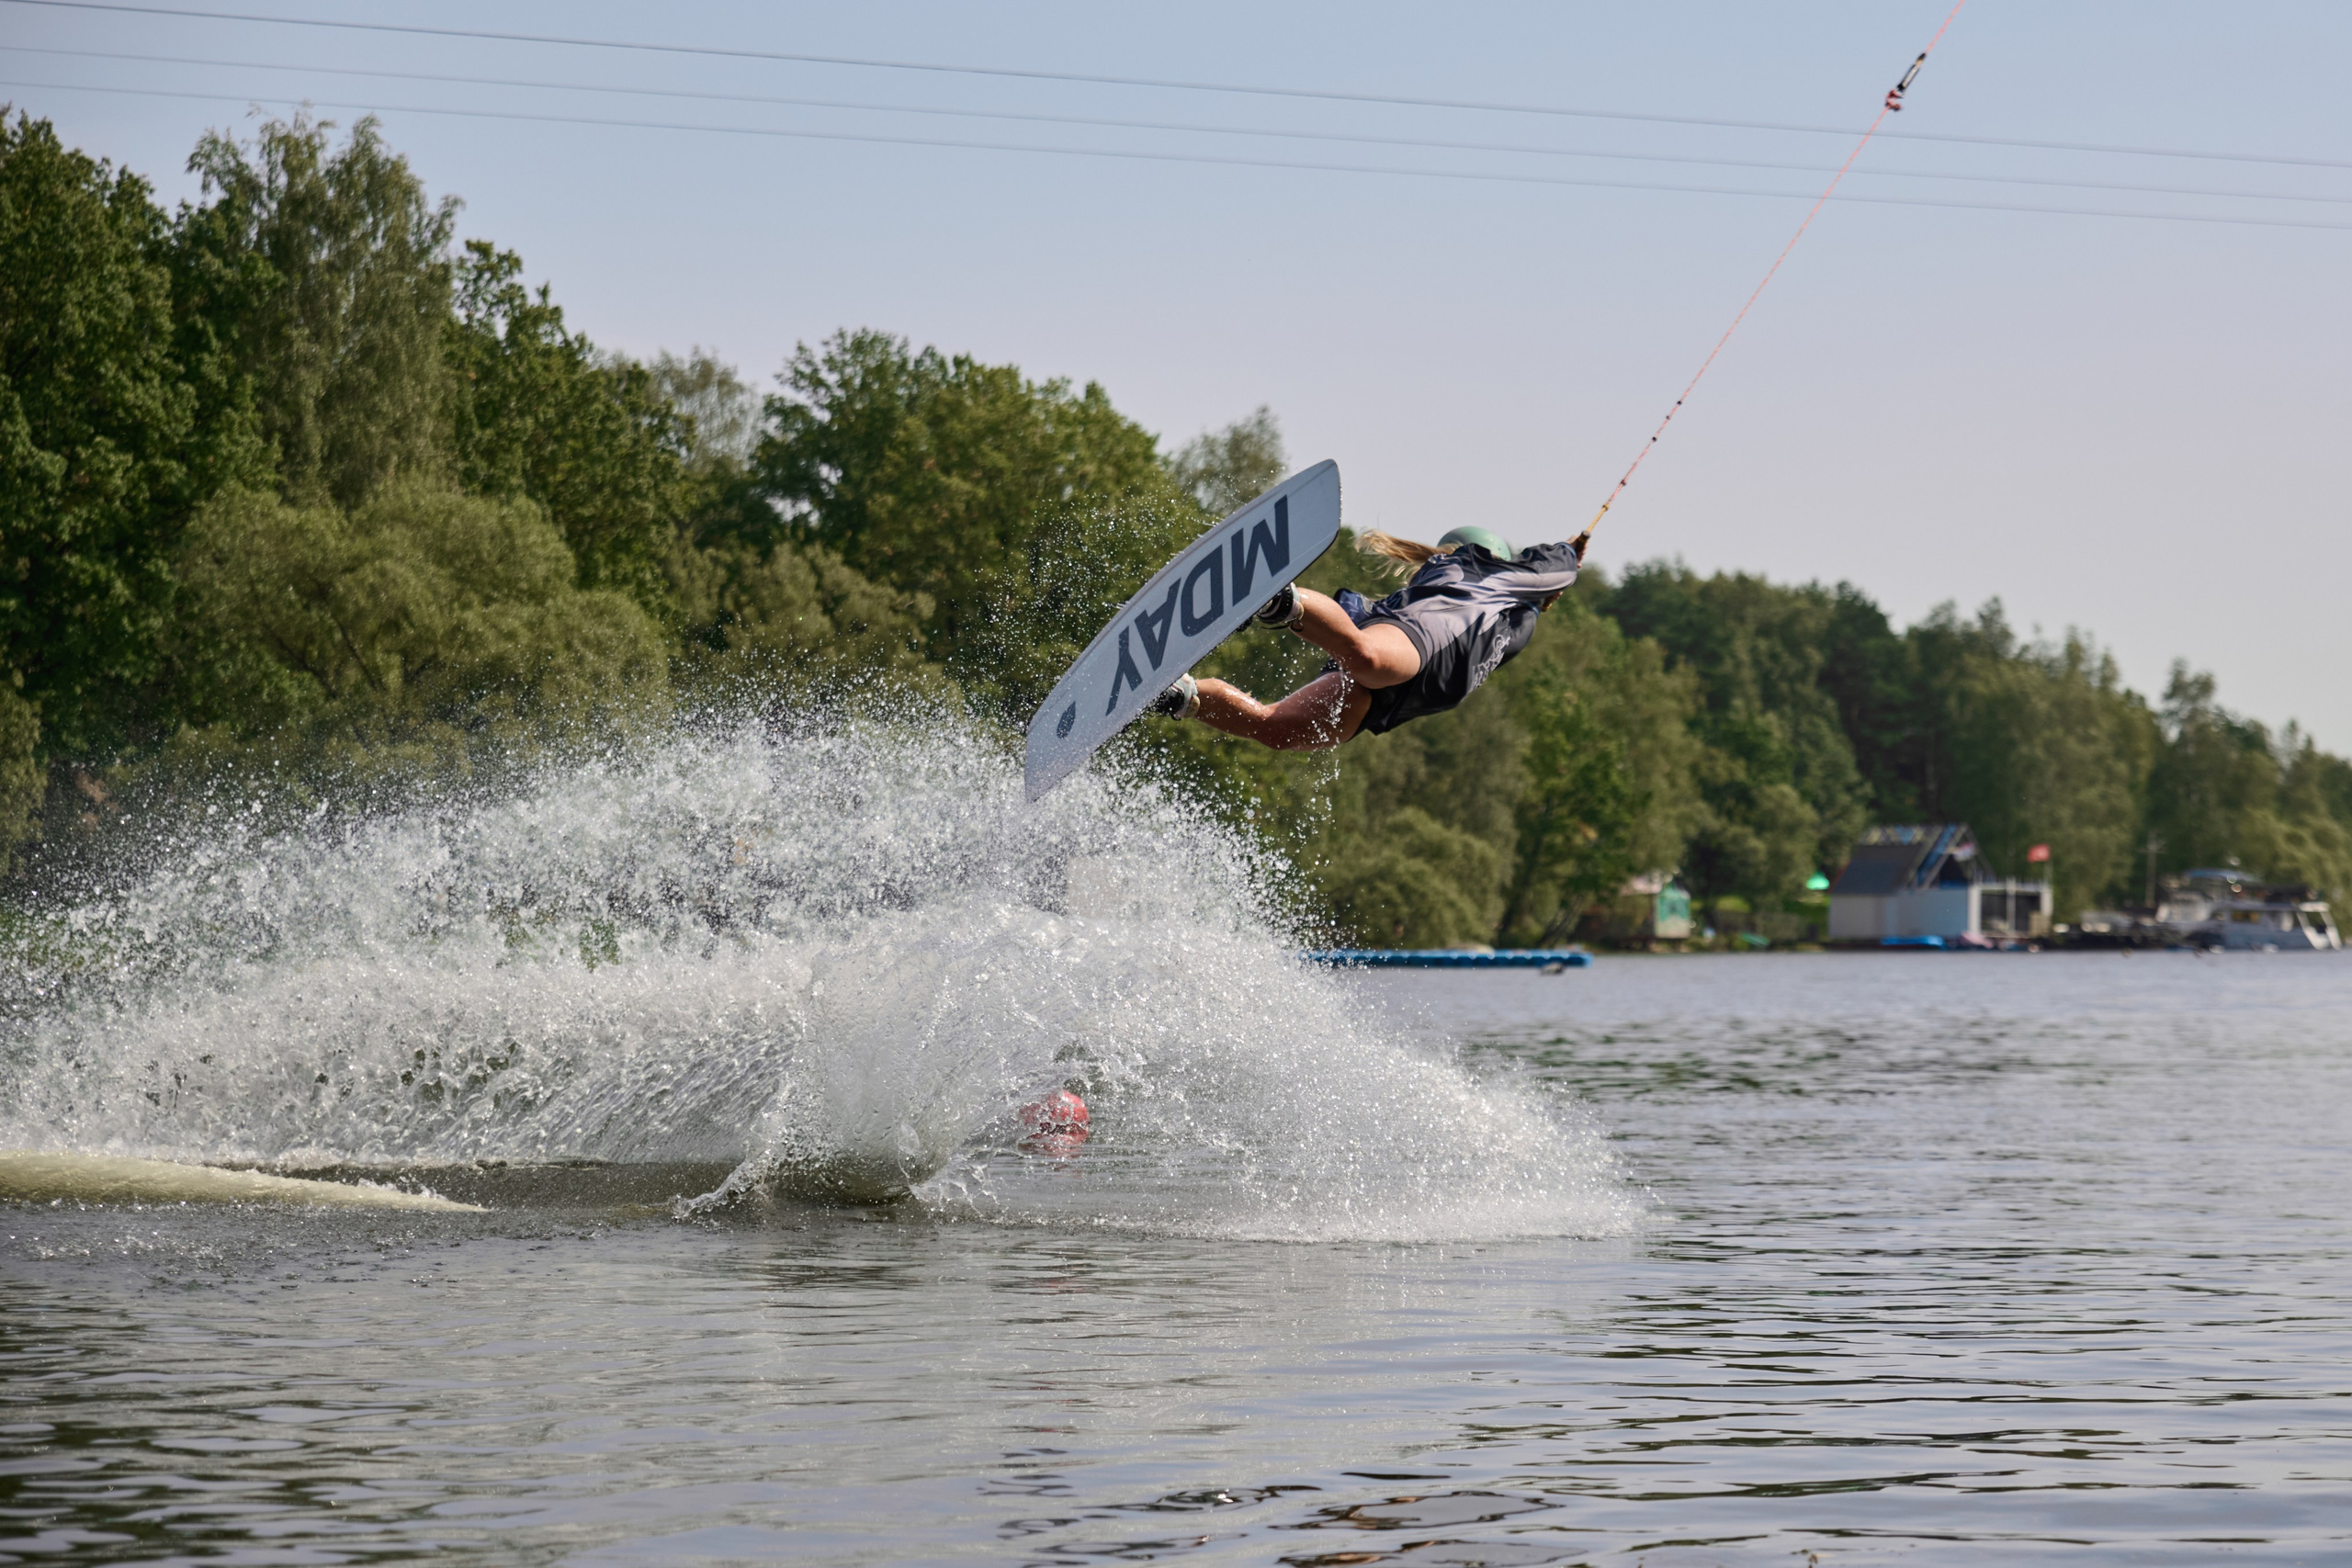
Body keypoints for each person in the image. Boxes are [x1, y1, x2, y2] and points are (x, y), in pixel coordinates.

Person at [1146, 525, 1587, 750]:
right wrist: (1571, 550)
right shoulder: (1487, 570)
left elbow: (1536, 601)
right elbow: (1558, 561)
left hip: (1394, 701)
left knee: (1275, 730)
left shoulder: (1518, 611)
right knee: (1368, 660)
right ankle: (1275, 600)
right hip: (1420, 643)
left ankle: (1177, 695)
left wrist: (1546, 596)